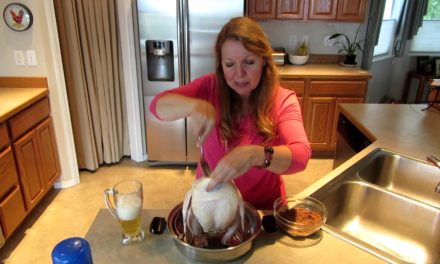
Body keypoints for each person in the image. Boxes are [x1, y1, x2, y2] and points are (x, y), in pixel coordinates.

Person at [149, 17, 311, 210]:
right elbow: (157, 105)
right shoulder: (209, 88)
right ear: (221, 65)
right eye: (229, 64)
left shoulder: (283, 100)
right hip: (212, 204)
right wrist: (192, 106)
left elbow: (301, 156)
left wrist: (255, 154)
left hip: (263, 210)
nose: (239, 73)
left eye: (249, 62)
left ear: (264, 62)